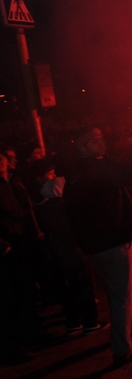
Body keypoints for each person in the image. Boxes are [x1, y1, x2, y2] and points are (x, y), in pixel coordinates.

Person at [62, 126, 132, 367]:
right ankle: (122, 349)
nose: (102, 143)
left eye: (101, 138)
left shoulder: (76, 172)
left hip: (94, 246)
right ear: (82, 147)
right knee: (123, 295)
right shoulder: (98, 168)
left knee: (115, 292)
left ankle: (130, 325)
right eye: (95, 141)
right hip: (113, 241)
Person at [30, 159, 106, 337]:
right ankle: (90, 322)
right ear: (40, 179)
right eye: (50, 174)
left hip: (57, 256)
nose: (55, 177)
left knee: (68, 291)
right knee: (84, 287)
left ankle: (73, 323)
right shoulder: (57, 205)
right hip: (72, 253)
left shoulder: (37, 207)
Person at [0, 144, 44, 364]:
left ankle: (32, 334)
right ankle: (12, 347)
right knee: (11, 296)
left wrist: (35, 231)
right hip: (8, 244)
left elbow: (27, 209)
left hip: (24, 239)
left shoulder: (14, 181)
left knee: (27, 289)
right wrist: (3, 246)